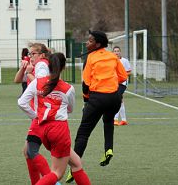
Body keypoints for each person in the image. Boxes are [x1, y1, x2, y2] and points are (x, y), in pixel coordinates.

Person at [18, 53, 91, 185]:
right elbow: (70, 109)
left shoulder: (37, 82)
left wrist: (35, 115)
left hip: (42, 128)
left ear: (48, 66)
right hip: (59, 130)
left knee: (76, 163)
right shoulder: (68, 89)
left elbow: (21, 102)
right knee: (57, 173)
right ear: (63, 67)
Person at [72, 31, 127, 169]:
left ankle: (74, 168)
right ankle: (108, 149)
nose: (87, 42)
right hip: (114, 98)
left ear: (97, 44)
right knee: (108, 122)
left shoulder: (90, 58)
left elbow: (86, 84)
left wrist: (86, 101)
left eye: (90, 41)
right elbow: (123, 77)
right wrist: (116, 92)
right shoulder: (113, 57)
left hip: (97, 98)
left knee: (83, 133)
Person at [14, 43, 52, 184]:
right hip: (41, 114)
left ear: (41, 55)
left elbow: (41, 85)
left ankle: (52, 181)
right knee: (28, 152)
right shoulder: (38, 65)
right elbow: (17, 80)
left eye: (32, 54)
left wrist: (29, 72)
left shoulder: (42, 65)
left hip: (41, 115)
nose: (30, 56)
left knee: (30, 152)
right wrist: (24, 68)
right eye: (29, 54)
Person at [112, 46, 132, 126]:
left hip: (122, 83)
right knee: (120, 100)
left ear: (120, 52)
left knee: (117, 99)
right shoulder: (111, 61)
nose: (116, 52)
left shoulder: (125, 61)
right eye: (115, 51)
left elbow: (129, 72)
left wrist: (121, 75)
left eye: (118, 51)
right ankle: (124, 120)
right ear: (113, 52)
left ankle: (115, 119)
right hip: (114, 83)